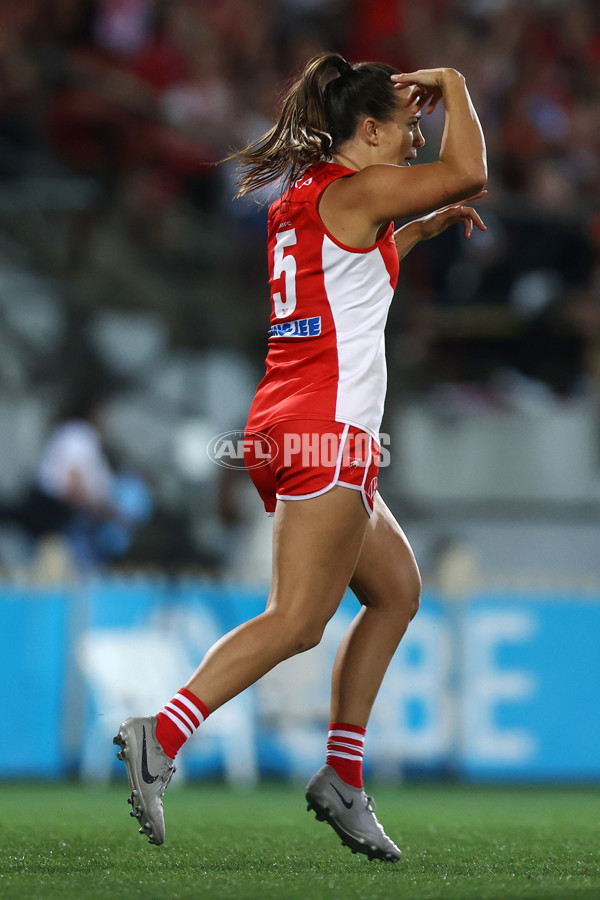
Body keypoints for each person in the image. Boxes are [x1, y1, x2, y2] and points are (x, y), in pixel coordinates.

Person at [114, 52, 486, 861]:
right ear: (371, 129)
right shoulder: (363, 192)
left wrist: (421, 230)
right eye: (409, 127)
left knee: (396, 591)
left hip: (281, 422)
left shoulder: (309, 199)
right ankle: (161, 734)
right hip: (331, 429)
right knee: (299, 619)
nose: (417, 140)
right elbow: (472, 172)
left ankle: (342, 778)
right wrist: (453, 81)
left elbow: (352, 280)